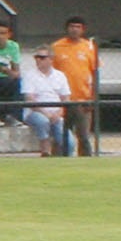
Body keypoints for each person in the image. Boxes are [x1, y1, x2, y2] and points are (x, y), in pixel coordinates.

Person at [50, 16, 100, 156]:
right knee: (61, 134)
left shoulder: (89, 47)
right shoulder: (56, 47)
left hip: (82, 99)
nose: (74, 29)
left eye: (78, 27)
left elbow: (95, 74)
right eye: (72, 26)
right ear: (67, 28)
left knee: (83, 135)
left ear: (83, 29)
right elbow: (51, 74)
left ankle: (86, 162)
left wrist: (93, 97)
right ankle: (57, 161)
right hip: (62, 99)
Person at [20, 46, 72, 154]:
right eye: (36, 57)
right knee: (42, 121)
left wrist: (59, 113)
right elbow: (29, 98)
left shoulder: (60, 76)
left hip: (56, 113)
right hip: (34, 112)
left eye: (42, 57)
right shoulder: (29, 75)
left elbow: (66, 98)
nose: (38, 60)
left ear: (51, 59)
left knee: (69, 143)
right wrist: (46, 113)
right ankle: (45, 150)